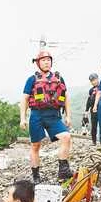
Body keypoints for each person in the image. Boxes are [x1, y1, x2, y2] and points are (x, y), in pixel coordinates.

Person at [20, 50, 74, 183]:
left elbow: (66, 97)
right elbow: (25, 98)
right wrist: (23, 118)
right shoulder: (32, 79)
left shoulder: (59, 78)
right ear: (38, 63)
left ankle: (63, 170)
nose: (46, 62)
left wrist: (68, 116)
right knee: (35, 146)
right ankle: (36, 176)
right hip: (37, 114)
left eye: (48, 60)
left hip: (54, 115)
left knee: (66, 137)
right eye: (43, 60)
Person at [84, 73, 100, 145]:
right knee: (94, 126)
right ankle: (94, 141)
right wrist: (86, 110)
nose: (93, 82)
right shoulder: (91, 90)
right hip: (93, 110)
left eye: (94, 80)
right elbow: (89, 100)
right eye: (91, 81)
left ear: (97, 79)